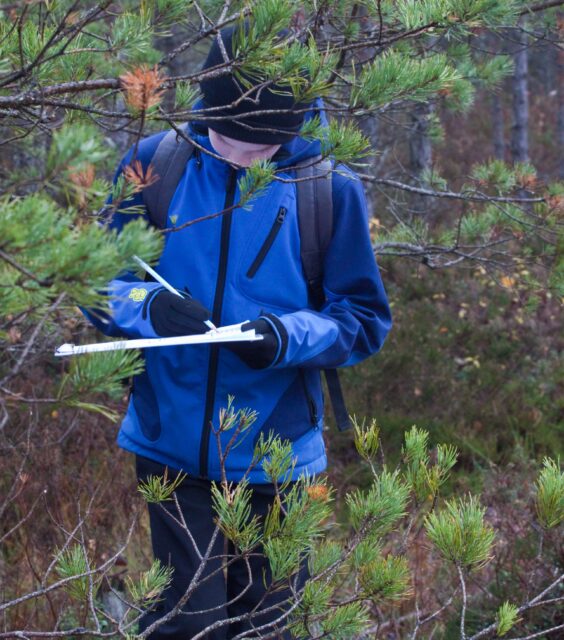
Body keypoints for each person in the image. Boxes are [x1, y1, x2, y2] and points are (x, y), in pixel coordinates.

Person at [88, 24, 392, 640]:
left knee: (267, 625)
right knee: (187, 623)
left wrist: (283, 337)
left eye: (260, 147)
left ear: (294, 125)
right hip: (168, 443)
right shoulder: (156, 163)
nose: (238, 157)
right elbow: (93, 280)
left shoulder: (328, 189)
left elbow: (361, 319)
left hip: (277, 454)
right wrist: (149, 307)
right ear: (207, 107)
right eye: (225, 135)